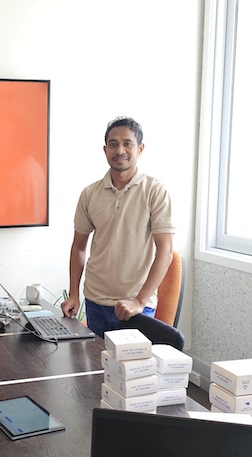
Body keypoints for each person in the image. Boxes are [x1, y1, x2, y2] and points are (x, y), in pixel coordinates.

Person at [60, 116, 175, 338]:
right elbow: (79, 248)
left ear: (140, 149)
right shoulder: (90, 193)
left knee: (133, 370)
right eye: (113, 144)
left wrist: (140, 301)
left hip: (135, 306)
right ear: (105, 150)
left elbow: (166, 251)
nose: (119, 150)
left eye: (127, 143)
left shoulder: (155, 191)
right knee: (96, 368)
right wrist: (74, 294)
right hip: (96, 302)